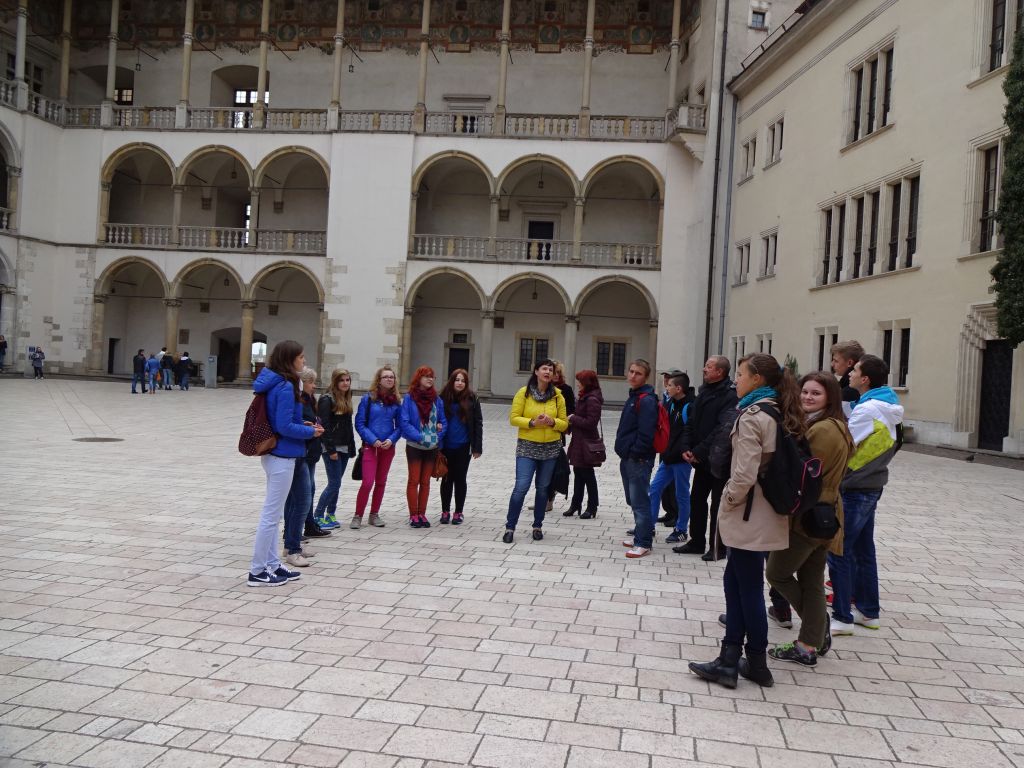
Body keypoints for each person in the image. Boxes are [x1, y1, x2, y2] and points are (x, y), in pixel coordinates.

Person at [688, 353, 804, 689]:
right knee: (738, 582)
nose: (736, 380)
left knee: (747, 588)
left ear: (757, 379)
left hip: (749, 512)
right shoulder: (777, 410)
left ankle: (751, 661)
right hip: (765, 513)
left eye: (740, 374)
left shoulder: (754, 416)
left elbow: (743, 474)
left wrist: (726, 501)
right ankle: (733, 659)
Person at [765, 371, 854, 667]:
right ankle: (808, 643)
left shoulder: (823, 429)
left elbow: (804, 474)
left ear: (830, 397)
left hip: (811, 516)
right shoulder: (830, 424)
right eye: (804, 391)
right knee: (812, 579)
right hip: (824, 514)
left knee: (777, 573)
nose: (807, 397)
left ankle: (815, 632)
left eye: (816, 393)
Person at [829, 354, 904, 636]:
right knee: (863, 550)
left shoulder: (867, 410)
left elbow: (843, 446)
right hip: (871, 484)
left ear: (865, 379)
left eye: (855, 370)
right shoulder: (888, 405)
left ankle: (842, 616)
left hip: (855, 486)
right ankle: (869, 612)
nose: (850, 374)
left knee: (839, 550)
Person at [248, 340, 322, 586]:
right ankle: (257, 571)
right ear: (289, 360)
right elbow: (283, 426)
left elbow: (284, 420)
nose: (304, 361)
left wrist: (303, 425)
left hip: (279, 454)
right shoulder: (285, 386)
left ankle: (272, 564)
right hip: (283, 455)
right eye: (300, 357)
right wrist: (309, 432)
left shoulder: (278, 382)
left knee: (274, 514)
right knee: (271, 516)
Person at [674, 356, 738, 561]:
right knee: (697, 500)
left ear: (720, 372)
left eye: (709, 367)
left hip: (719, 460)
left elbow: (722, 429)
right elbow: (691, 422)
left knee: (718, 504)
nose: (704, 369)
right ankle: (696, 541)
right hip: (701, 460)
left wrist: (699, 451)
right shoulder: (703, 392)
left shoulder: (730, 396)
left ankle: (717, 547)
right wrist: (686, 447)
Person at [503, 359, 568, 544]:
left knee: (542, 489)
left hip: (550, 449)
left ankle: (537, 526)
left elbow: (564, 424)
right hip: (527, 447)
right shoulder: (523, 393)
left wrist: (552, 422)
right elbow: (514, 418)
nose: (548, 372)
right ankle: (510, 527)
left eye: (551, 369)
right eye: (544, 368)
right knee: (521, 487)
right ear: (536, 372)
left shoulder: (558, 396)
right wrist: (532, 422)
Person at [282, 367, 330, 568]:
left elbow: (295, 421)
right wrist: (308, 429)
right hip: (294, 453)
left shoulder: (305, 399)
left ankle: (292, 545)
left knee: (302, 498)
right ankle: (291, 546)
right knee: (298, 500)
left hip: (304, 452)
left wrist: (307, 426)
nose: (313, 385)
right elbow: (284, 425)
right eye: (310, 381)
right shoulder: (290, 394)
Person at [616, 358, 659, 558]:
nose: (633, 376)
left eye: (638, 373)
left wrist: (635, 452)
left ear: (646, 377)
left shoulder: (647, 400)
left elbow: (646, 433)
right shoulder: (635, 396)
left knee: (640, 501)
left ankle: (644, 542)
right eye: (631, 371)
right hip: (629, 457)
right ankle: (640, 535)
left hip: (638, 459)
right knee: (633, 500)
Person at [353, 366, 402, 529]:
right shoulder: (368, 399)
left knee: (381, 482)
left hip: (387, 448)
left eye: (392, 377)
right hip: (371, 446)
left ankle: (374, 514)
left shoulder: (396, 401)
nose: (389, 379)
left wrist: (391, 440)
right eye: (385, 377)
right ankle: (358, 515)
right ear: (378, 380)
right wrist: (372, 439)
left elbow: (400, 426)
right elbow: (360, 423)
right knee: (367, 482)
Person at [649, 372, 694, 545]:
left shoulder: (690, 406)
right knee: (654, 489)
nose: (667, 388)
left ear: (678, 388)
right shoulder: (670, 403)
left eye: (669, 385)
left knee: (681, 494)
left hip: (681, 459)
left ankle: (681, 530)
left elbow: (691, 432)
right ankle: (648, 526)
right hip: (667, 457)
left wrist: (685, 450)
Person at [399, 366, 447, 529]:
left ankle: (422, 514)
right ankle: (413, 515)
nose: (430, 379)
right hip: (415, 445)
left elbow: (443, 421)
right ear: (418, 378)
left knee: (425, 482)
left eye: (432, 376)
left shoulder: (437, 399)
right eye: (426, 376)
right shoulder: (409, 398)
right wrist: (420, 437)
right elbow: (404, 422)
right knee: (414, 480)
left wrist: (437, 437)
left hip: (431, 446)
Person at [438, 368, 483, 525]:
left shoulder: (472, 398)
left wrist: (477, 447)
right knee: (446, 478)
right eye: (457, 380)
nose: (460, 383)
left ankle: (458, 512)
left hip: (464, 446)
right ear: (451, 381)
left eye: (463, 381)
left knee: (460, 479)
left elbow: (478, 423)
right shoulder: (442, 398)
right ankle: (445, 511)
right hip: (445, 445)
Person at [314, 367, 356, 530]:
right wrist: (330, 450)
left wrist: (352, 446)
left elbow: (348, 425)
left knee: (337, 483)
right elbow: (323, 426)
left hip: (344, 446)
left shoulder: (347, 396)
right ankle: (318, 516)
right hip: (332, 448)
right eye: (341, 380)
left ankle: (330, 514)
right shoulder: (327, 399)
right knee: (334, 483)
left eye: (347, 380)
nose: (345, 383)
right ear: (335, 381)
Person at [565, 369, 604, 519]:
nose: (578, 384)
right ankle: (576, 504)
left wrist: (573, 418)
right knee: (578, 473)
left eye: (580, 382)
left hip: (587, 443)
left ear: (587, 383)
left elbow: (591, 422)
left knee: (588, 475)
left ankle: (592, 506)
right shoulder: (585, 396)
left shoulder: (592, 399)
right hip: (579, 441)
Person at [657, 368, 685, 527]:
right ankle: (668, 510)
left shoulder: (679, 400)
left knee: (674, 483)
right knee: (664, 485)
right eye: (665, 378)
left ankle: (676, 513)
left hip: (675, 447)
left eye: (669, 379)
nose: (665, 381)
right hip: (665, 445)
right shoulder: (666, 397)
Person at [830, 340, 864, 415]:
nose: (832, 364)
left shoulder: (850, 392)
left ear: (849, 363)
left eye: (836, 361)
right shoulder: (862, 386)